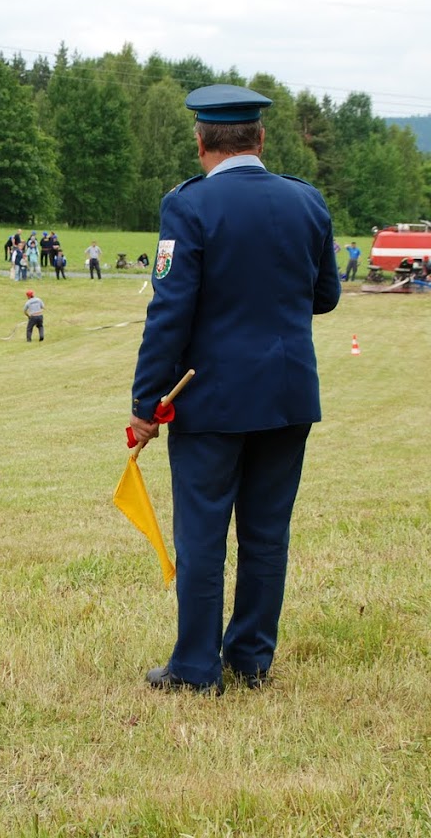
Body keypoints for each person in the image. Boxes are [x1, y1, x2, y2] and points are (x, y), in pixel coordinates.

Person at [129, 84, 341, 696]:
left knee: (202, 537)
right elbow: (324, 296)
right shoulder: (307, 201)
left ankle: (196, 669)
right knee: (266, 535)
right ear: (260, 138)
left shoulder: (188, 206)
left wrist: (146, 403)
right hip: (287, 395)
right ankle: (250, 659)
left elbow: (169, 314)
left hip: (211, 399)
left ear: (201, 140)